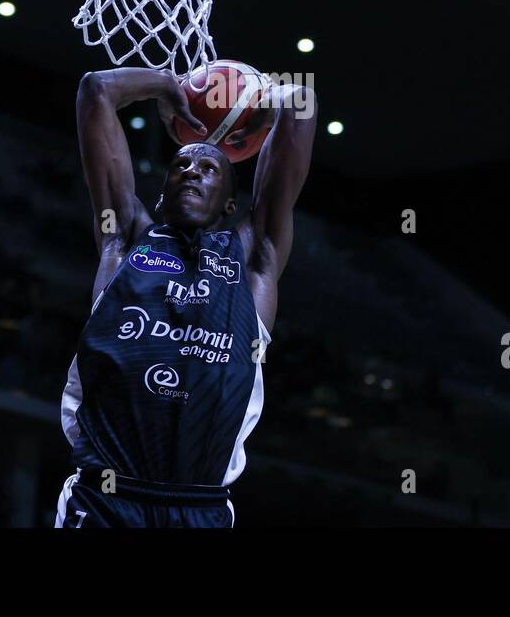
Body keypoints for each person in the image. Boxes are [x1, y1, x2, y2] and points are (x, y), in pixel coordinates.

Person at [55, 66, 316, 527]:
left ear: (230, 205)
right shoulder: (125, 242)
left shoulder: (254, 259)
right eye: (181, 165)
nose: (193, 171)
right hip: (104, 499)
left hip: (199, 506)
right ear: (160, 197)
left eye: (210, 168)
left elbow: (302, 104)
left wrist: (262, 101)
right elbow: (95, 89)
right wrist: (167, 86)